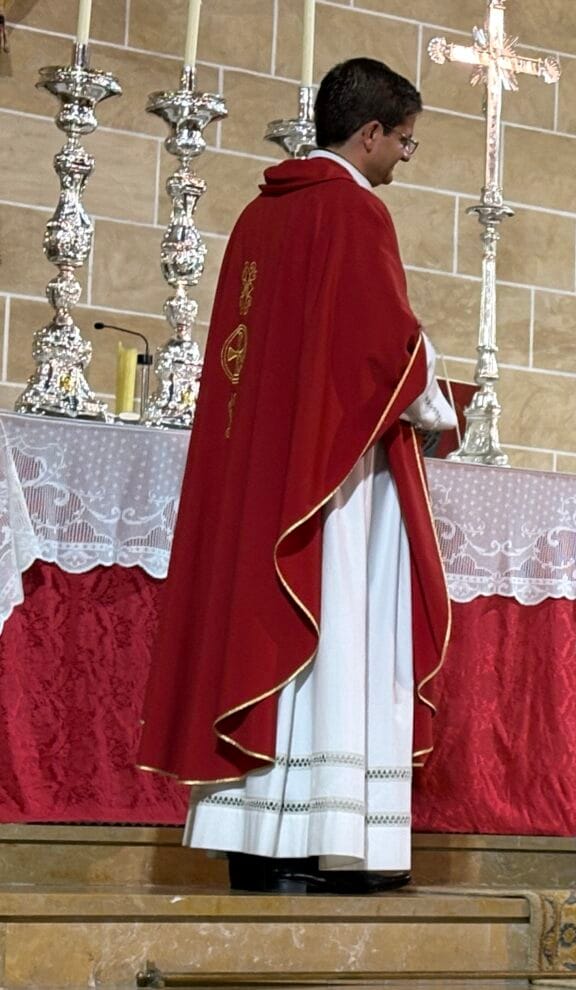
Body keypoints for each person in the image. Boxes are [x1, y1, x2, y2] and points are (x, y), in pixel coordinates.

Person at [138, 57, 457, 895]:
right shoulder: (353, 212)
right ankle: (333, 843)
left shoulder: (258, 217)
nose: (405, 159)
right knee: (334, 630)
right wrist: (439, 408)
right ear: (370, 133)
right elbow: (384, 345)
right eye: (406, 142)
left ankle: (260, 841)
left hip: (261, 476)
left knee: (267, 637)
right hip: (331, 488)